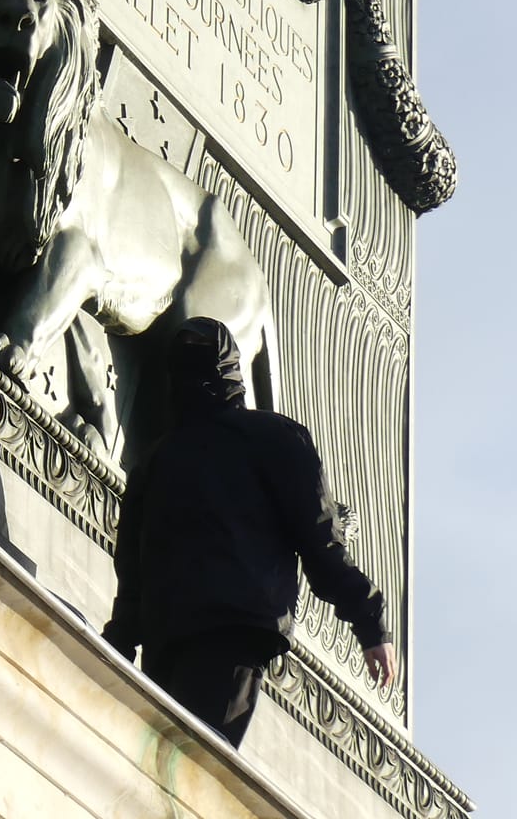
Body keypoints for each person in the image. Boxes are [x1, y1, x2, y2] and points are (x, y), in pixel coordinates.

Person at [103, 316, 397, 746]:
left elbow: (132, 569)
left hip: (168, 642)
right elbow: (322, 545)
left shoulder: (158, 461)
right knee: (200, 771)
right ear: (231, 369)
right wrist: (370, 626)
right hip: (234, 632)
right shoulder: (276, 439)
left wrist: (119, 647)